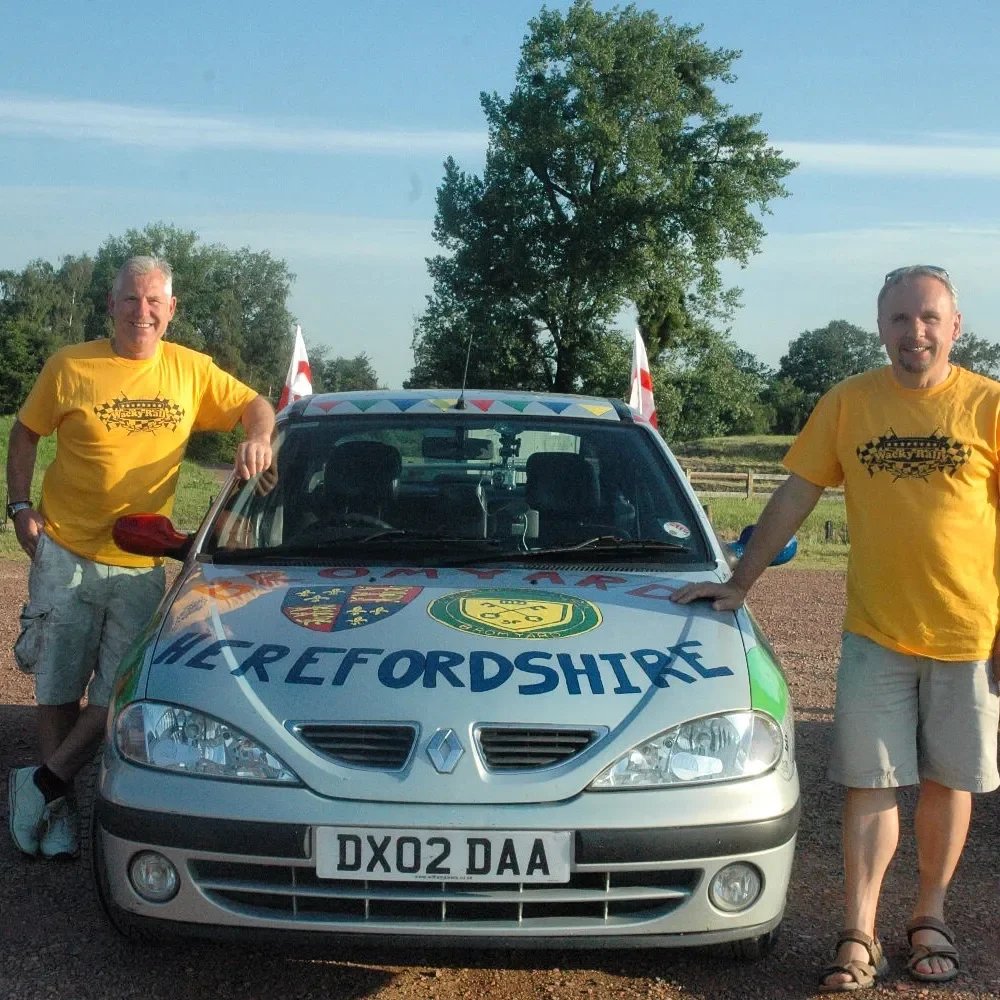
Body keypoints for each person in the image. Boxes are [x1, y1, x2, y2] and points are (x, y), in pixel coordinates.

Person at [672, 264, 1000, 991]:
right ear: (880, 326)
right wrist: (738, 581)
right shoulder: (850, 403)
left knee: (951, 781)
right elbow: (796, 495)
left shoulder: (989, 406)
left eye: (927, 318)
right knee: (870, 782)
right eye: (898, 319)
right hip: (875, 633)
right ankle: (858, 932)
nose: (913, 332)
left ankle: (930, 918)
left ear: (955, 326)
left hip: (970, 633)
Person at [6, 255, 275, 861]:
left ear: (171, 310)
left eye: (154, 301)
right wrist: (19, 504)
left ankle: (42, 782)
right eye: (131, 299)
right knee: (58, 683)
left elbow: (256, 404)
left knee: (125, 686)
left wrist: (258, 435)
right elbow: (25, 433)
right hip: (66, 550)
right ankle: (60, 811)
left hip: (140, 557)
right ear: (111, 305)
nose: (142, 311)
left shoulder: (190, 370)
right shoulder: (70, 366)